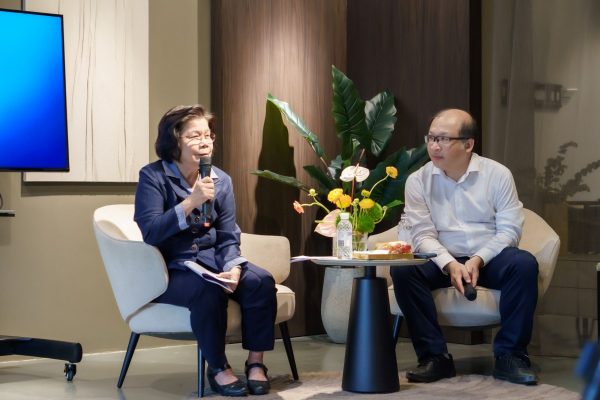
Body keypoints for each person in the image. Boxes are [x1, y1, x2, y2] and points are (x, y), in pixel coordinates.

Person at [134, 104, 276, 397]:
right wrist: (191, 202)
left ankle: (255, 363)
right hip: (173, 268)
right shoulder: (153, 176)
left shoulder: (221, 180)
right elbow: (151, 232)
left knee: (260, 281)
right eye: (194, 136)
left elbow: (227, 234)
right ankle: (218, 368)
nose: (205, 142)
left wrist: (233, 267)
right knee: (207, 290)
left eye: (208, 135)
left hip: (215, 262)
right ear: (174, 140)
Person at [391, 108, 539, 385]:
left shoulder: (498, 175)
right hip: (440, 257)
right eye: (431, 138)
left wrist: (478, 259)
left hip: (489, 257)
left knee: (524, 264)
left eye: (443, 139)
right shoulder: (418, 180)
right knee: (404, 270)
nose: (434, 146)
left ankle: (510, 356)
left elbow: (510, 230)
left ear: (468, 144)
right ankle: (434, 357)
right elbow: (421, 234)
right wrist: (449, 263)